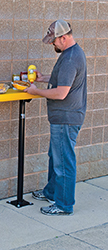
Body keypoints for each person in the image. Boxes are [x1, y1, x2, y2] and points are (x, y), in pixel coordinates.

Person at [24, 19, 87, 215]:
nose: (52, 44)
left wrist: (36, 91)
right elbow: (65, 80)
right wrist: (44, 79)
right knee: (55, 157)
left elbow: (61, 93)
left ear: (64, 37)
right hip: (64, 117)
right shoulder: (72, 53)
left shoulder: (69, 59)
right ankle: (51, 191)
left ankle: (63, 205)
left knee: (63, 162)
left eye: (54, 41)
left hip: (66, 118)